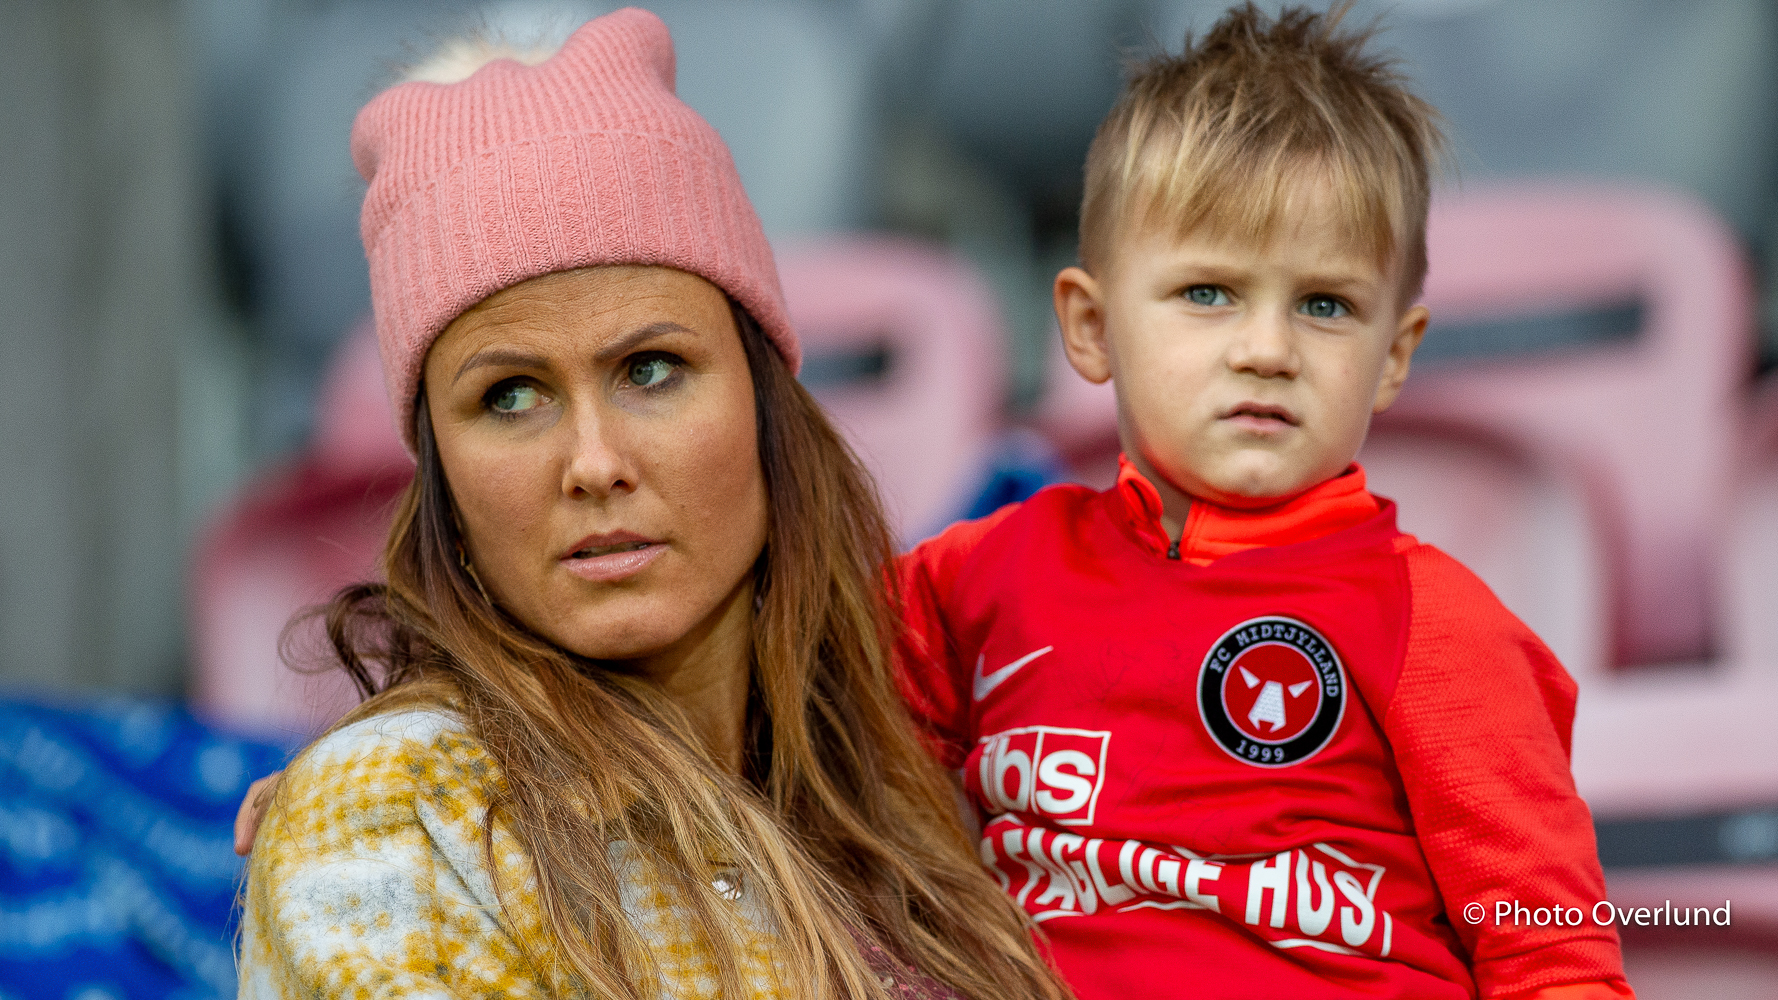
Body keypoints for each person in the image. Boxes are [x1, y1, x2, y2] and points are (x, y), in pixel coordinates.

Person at [233, 10, 1070, 1000]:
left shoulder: (941, 772)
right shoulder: (397, 823)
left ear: (764, 404)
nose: (593, 463)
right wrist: (363, 796)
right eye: (509, 396)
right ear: (442, 473)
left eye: (651, 369)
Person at [892, 5, 1634, 999]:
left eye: (1325, 305)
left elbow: (1551, 951)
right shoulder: (975, 578)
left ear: (1393, 356)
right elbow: (788, 727)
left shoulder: (1436, 628)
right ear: (1090, 326)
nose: (1267, 350)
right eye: (1208, 293)